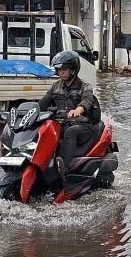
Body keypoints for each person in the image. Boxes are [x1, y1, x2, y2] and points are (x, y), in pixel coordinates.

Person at [38, 51, 101, 180]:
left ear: (73, 69)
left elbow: (87, 101)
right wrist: (28, 111)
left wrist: (79, 109)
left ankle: (64, 167)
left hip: (83, 125)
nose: (60, 72)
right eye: (58, 69)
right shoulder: (56, 86)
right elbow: (43, 103)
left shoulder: (85, 86)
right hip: (61, 123)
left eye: (64, 69)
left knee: (70, 132)